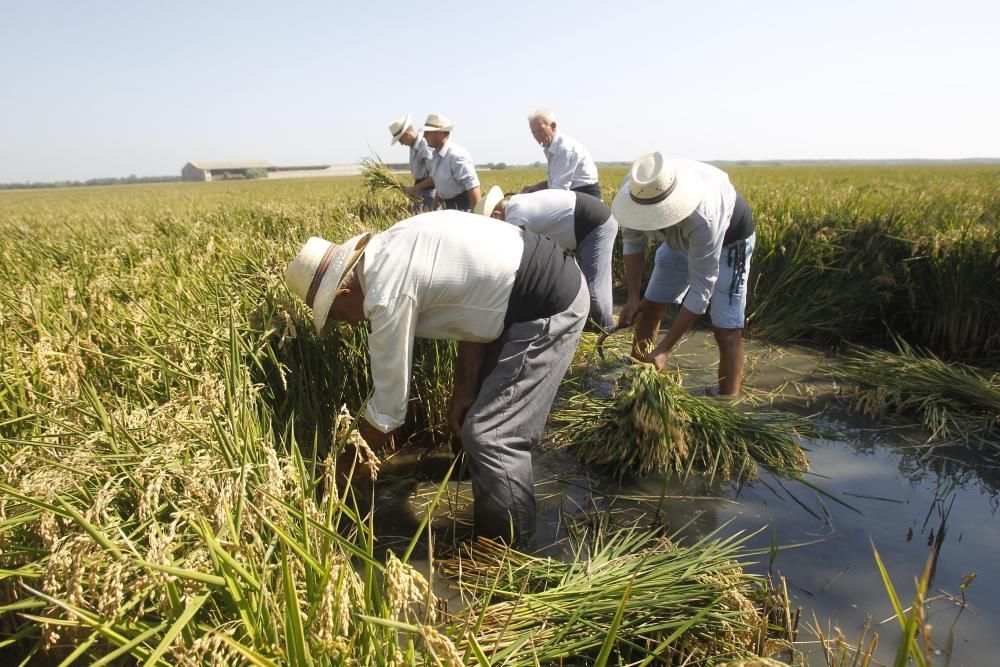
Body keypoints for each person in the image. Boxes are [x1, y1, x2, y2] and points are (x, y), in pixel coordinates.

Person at [284, 211, 588, 547]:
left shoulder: (385, 294)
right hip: (526, 292)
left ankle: (510, 553)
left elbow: (387, 413)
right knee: (475, 419)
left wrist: (338, 474)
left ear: (342, 294)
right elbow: (476, 305)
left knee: (491, 435)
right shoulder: (390, 247)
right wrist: (464, 387)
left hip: (549, 301)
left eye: (339, 317)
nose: (348, 324)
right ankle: (492, 495)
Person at [612, 151, 756, 396]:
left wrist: (665, 349)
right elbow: (633, 243)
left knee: (726, 329)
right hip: (677, 239)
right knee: (650, 307)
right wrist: (633, 296)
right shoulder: (637, 189)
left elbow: (702, 289)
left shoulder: (703, 216)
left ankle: (728, 404)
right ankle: (638, 386)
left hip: (728, 243)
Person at [475, 186, 618, 331]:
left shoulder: (515, 220)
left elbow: (518, 263)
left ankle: (606, 332)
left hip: (594, 224)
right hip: (582, 222)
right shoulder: (515, 204)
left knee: (594, 289)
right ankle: (589, 326)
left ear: (496, 214)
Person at [521, 108, 600, 198]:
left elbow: (559, 191)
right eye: (533, 132)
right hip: (574, 196)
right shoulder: (553, 148)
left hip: (585, 200)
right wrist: (535, 188)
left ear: (553, 126)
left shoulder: (565, 149)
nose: (537, 136)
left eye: (540, 130)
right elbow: (556, 182)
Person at [412, 113, 481, 212]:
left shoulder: (456, 156)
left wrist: (476, 219)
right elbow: (441, 191)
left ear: (440, 133)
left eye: (427, 132)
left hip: (464, 211)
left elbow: (474, 188)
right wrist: (433, 211)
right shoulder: (436, 156)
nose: (424, 136)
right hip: (448, 210)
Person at [388, 114, 435, 213]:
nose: (401, 143)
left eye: (400, 139)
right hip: (421, 192)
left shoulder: (425, 146)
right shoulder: (413, 147)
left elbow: (435, 177)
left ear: (406, 133)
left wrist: (414, 189)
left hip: (430, 194)